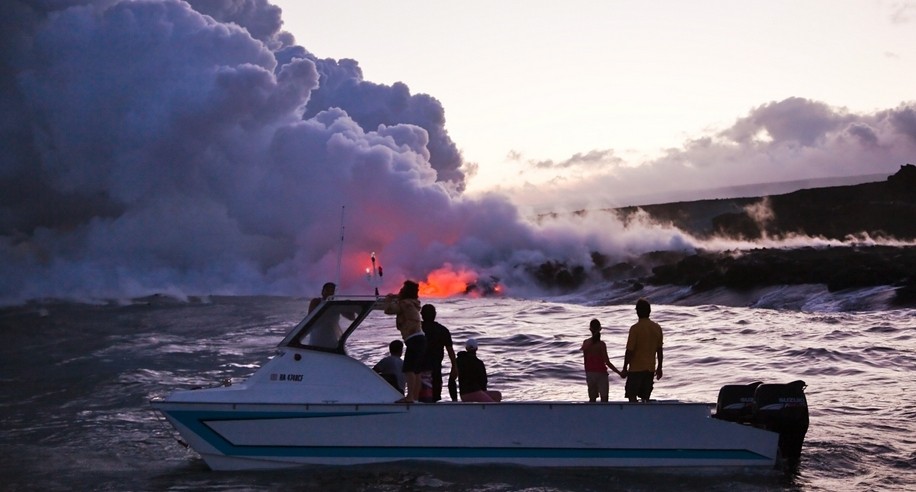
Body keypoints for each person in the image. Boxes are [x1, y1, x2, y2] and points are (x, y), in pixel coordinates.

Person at [384, 280, 426, 403]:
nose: (400, 290)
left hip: (413, 339)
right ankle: (415, 397)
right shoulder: (413, 303)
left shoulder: (404, 303)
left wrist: (388, 300)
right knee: (416, 370)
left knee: (408, 369)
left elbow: (389, 310)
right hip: (421, 338)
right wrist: (396, 297)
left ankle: (410, 397)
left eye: (402, 289)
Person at [621, 298, 664, 403]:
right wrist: (659, 368)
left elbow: (629, 350)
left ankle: (634, 417)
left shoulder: (635, 329)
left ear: (637, 312)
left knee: (632, 396)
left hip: (636, 369)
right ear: (649, 311)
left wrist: (625, 367)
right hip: (650, 369)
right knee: (645, 398)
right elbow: (659, 350)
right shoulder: (657, 328)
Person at [419, 304, 457, 403]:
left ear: (421, 314)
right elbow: (450, 351)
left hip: (419, 368)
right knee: (435, 398)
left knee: (420, 399)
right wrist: (454, 367)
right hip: (436, 368)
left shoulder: (417, 328)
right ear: (435, 314)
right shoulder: (443, 330)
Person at [581, 319, 622, 402]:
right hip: (601, 374)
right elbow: (607, 362)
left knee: (592, 399)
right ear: (600, 329)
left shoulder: (586, 343)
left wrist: (587, 373)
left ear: (590, 329)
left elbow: (585, 361)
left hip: (590, 373)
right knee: (604, 400)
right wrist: (619, 373)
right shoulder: (601, 345)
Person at [449, 338, 502, 403]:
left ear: (466, 348)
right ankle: (489, 411)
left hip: (464, 394)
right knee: (492, 404)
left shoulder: (458, 361)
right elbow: (484, 381)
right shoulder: (478, 363)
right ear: (476, 348)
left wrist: (454, 399)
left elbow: (451, 380)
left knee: (497, 395)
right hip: (474, 392)